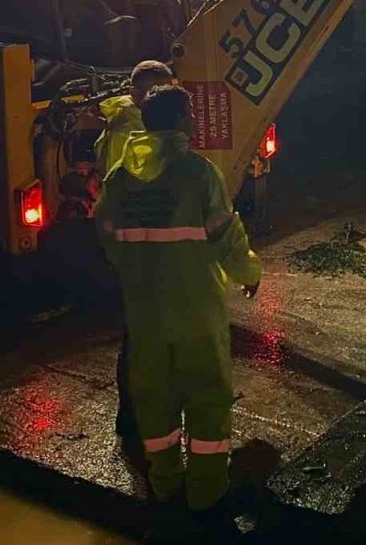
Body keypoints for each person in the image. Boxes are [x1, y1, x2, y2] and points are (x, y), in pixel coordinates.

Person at [94, 85, 261, 528]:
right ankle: (207, 494)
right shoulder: (198, 173)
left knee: (155, 405)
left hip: (145, 317)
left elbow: (108, 240)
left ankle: (165, 484)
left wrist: (139, 272)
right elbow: (226, 237)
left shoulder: (118, 180)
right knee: (207, 402)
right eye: (190, 113)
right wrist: (250, 273)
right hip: (196, 313)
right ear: (183, 120)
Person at [94, 60, 176, 441]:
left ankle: (138, 418)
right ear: (137, 94)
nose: (164, 98)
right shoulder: (131, 135)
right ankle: (135, 421)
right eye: (157, 91)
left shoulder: (139, 130)